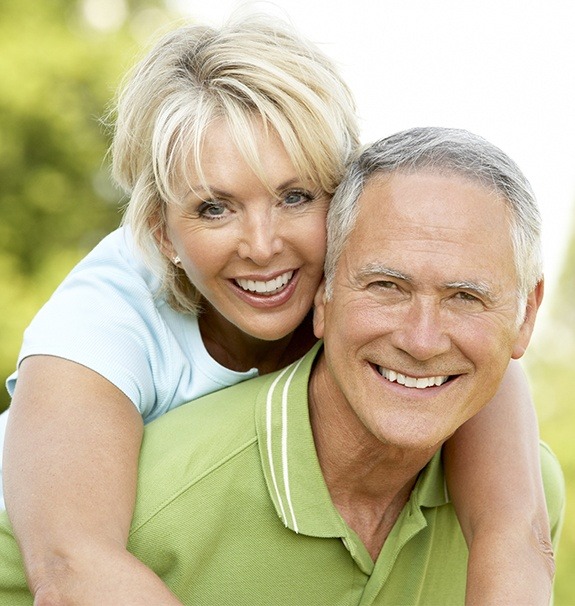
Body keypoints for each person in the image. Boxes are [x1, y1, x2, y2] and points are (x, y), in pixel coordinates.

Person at [0, 14, 553, 605]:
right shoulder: (100, 325)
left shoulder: (376, 299)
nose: (262, 246)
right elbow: (70, 569)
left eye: (296, 197)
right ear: (162, 231)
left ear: (345, 200)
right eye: (215, 208)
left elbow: (512, 526)